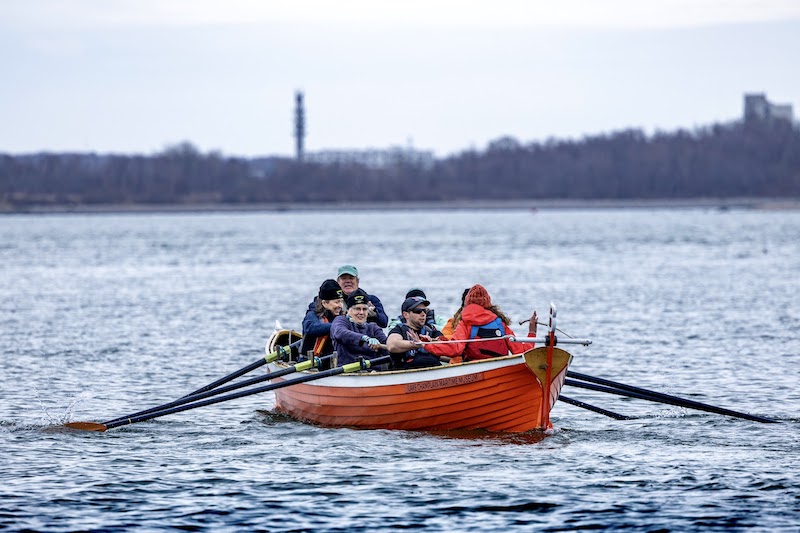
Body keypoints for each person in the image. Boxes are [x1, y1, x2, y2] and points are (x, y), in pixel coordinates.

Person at [425, 284, 536, 363]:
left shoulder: (464, 323)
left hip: (473, 369)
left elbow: (455, 349)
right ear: (488, 303)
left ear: (467, 303)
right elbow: (521, 351)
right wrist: (532, 332)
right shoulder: (499, 323)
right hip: (499, 367)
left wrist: (427, 345)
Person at [330, 288, 389, 368]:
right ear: (348, 310)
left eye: (364, 309)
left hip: (372, 372)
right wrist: (364, 338)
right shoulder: (341, 321)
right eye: (357, 309)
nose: (361, 313)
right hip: (347, 370)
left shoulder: (373, 327)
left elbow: (387, 345)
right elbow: (340, 333)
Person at [386, 296, 444, 369]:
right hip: (406, 373)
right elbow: (392, 345)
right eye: (418, 311)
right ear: (406, 315)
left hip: (433, 369)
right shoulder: (399, 330)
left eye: (425, 311)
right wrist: (417, 344)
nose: (423, 314)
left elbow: (445, 345)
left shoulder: (431, 330)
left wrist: (432, 342)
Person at [300, 279, 344, 362]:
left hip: (334, 363)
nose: (340, 306)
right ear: (324, 303)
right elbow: (310, 328)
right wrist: (337, 326)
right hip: (310, 363)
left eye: (341, 302)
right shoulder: (312, 315)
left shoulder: (342, 315)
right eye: (337, 302)